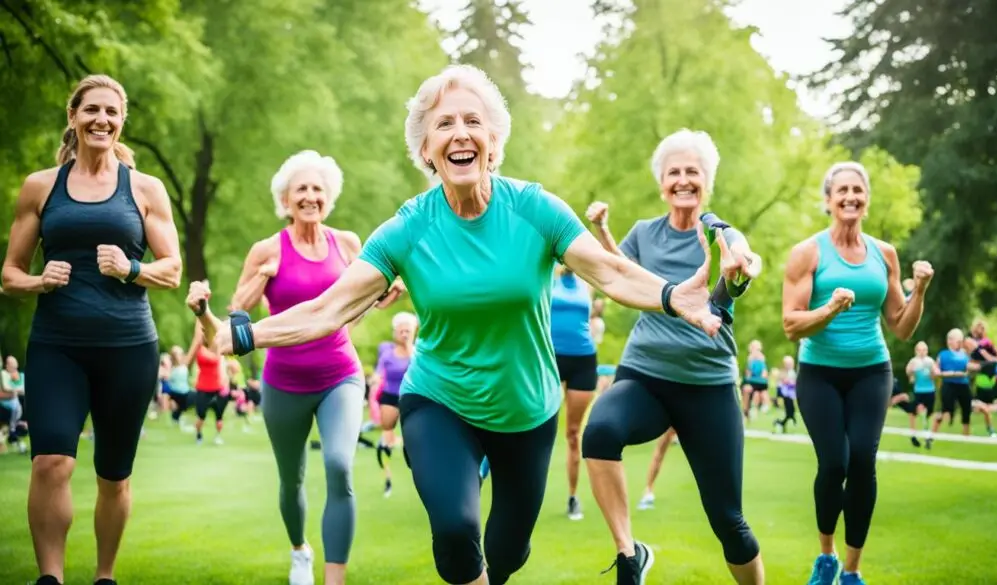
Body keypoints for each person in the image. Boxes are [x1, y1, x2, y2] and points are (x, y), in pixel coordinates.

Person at [199, 64, 722, 585]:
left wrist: (676, 295)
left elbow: (608, 270)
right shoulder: (408, 227)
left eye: (473, 121)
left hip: (527, 409)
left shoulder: (535, 208)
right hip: (439, 400)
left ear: (493, 141)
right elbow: (328, 308)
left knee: (507, 553)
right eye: (444, 124)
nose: (460, 133)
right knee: (456, 532)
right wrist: (245, 333)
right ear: (426, 150)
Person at [1, 74, 181, 585]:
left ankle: (104, 575)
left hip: (129, 349)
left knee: (113, 477)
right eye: (91, 110)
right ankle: (50, 577)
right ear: (73, 118)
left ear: (121, 121)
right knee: (50, 464)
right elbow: (9, 275)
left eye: (111, 112)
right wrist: (38, 279)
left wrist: (130, 269)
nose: (101, 119)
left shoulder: (144, 189)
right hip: (58, 346)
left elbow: (172, 269)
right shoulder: (42, 186)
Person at [581, 128, 765, 585]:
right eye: (674, 172)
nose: (683, 180)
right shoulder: (645, 233)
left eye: (693, 172)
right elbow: (619, 274)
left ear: (707, 181)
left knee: (729, 521)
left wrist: (740, 268)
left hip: (708, 387)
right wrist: (604, 231)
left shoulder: (721, 232)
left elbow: (738, 265)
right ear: (661, 182)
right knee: (599, 433)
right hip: (646, 375)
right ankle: (630, 555)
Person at [197, 150, 383, 585]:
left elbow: (358, 304)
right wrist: (262, 277)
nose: (310, 196)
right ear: (285, 198)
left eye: (318, 188)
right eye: (301, 188)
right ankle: (300, 549)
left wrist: (378, 297)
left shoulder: (348, 244)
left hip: (340, 373)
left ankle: (333, 578)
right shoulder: (267, 248)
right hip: (283, 382)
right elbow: (235, 319)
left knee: (339, 464)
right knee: (291, 480)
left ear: (328, 197)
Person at [781, 161, 933, 585]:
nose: (850, 197)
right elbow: (791, 323)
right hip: (820, 373)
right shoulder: (807, 253)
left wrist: (918, 290)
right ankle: (826, 557)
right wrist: (829, 309)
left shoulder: (884, 254)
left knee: (863, 460)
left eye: (857, 190)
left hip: (871, 369)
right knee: (834, 463)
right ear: (828, 200)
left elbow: (901, 326)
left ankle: (851, 570)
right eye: (842, 190)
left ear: (866, 199)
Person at [551, 264, 600, 520]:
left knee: (572, 433)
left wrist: (601, 227)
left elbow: (609, 262)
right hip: (549, 358)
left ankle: (572, 497)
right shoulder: (546, 275)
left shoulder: (587, 283)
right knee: (533, 427)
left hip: (583, 360)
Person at [374, 311, 418, 497]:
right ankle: (388, 479)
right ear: (395, 332)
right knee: (386, 440)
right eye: (401, 330)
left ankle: (419, 473)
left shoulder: (417, 351)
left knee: (413, 440)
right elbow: (379, 371)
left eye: (408, 330)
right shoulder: (386, 350)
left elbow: (419, 367)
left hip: (411, 397)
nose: (404, 334)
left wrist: (409, 345)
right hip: (390, 396)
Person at [903, 341, 938, 447]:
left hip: (930, 390)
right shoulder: (914, 361)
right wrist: (911, 371)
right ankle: (913, 435)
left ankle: (928, 437)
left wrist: (932, 372)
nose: (922, 352)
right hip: (919, 391)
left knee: (929, 414)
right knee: (914, 413)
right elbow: (908, 373)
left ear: (927, 351)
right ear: (916, 351)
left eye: (924, 350)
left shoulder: (930, 361)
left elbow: (935, 374)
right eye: (920, 350)